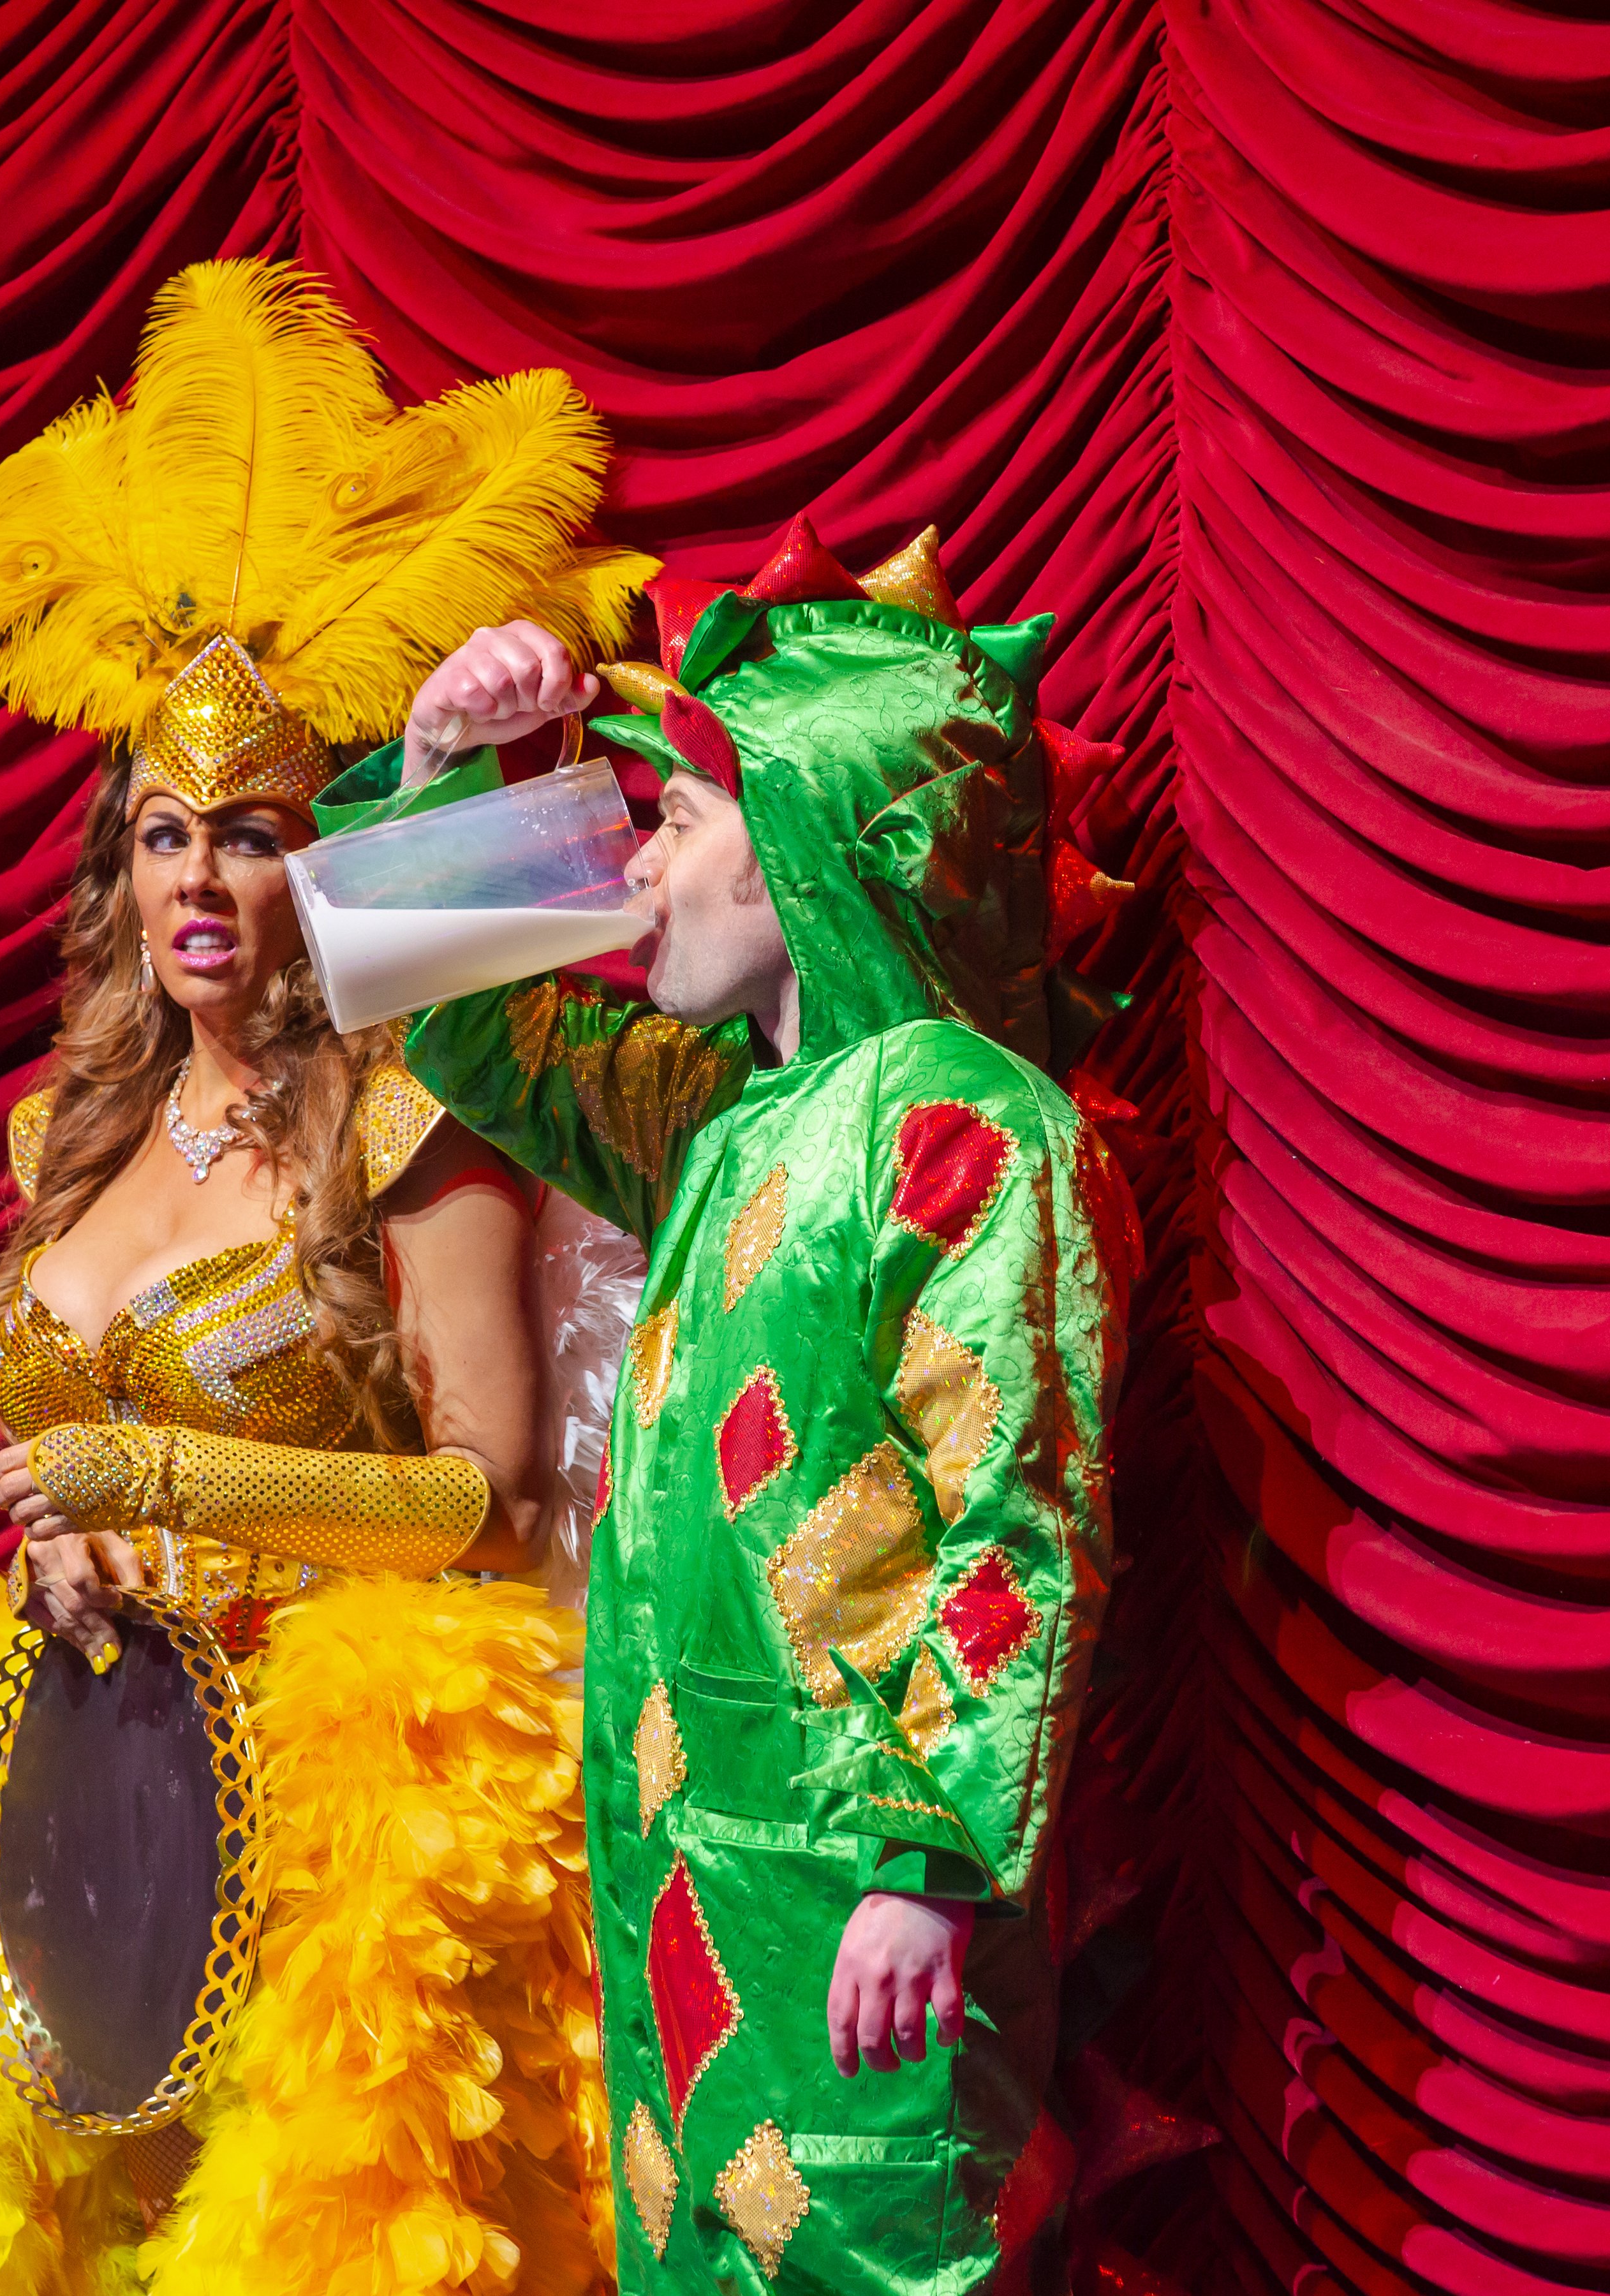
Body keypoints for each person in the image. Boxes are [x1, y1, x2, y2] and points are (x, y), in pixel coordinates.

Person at [0, 258, 654, 2296]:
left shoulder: (410, 1115)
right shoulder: (65, 1135)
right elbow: (60, 1465)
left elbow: (491, 1495)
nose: (202, 882)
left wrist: (169, 1486)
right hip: (102, 1781)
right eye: (164, 833)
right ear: (116, 863)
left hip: (350, 1814)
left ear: (328, 855)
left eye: (257, 832)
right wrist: (67, 1548)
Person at [321, 522, 1136, 2293]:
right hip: (692, 1898)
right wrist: (454, 772)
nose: (637, 876)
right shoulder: (723, 1118)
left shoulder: (965, 1123)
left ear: (800, 857)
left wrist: (932, 1858)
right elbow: (460, 1030)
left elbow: (1020, 1512)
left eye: (677, 825)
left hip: (859, 1903)